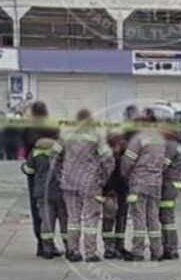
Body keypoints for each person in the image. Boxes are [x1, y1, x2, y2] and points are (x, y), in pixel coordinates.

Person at [60, 109, 114, 263]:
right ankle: (90, 252)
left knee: (73, 219)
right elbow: (108, 159)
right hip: (90, 183)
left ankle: (73, 250)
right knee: (91, 218)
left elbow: (53, 155)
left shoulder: (66, 135)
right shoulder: (95, 136)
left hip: (69, 182)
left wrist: (61, 174)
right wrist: (103, 178)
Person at [120, 116, 167, 262]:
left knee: (138, 217)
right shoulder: (161, 140)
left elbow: (127, 162)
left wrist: (124, 175)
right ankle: (157, 251)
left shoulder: (138, 139)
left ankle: (138, 252)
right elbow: (164, 162)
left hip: (139, 183)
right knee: (153, 217)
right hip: (156, 183)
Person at [23, 101, 60, 257]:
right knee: (56, 210)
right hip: (55, 172)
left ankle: (42, 244)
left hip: (35, 174)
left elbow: (24, 150)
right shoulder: (53, 127)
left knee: (38, 209)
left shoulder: (28, 130)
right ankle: (53, 244)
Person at [22, 136, 68, 259]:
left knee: (47, 220)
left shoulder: (36, 153)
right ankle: (69, 247)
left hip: (42, 192)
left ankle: (47, 248)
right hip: (60, 191)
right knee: (64, 219)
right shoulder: (60, 154)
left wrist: (23, 167)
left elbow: (29, 170)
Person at [101, 130, 131, 260]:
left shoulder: (123, 155)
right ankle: (110, 247)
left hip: (119, 191)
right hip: (112, 192)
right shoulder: (109, 155)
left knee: (119, 219)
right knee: (112, 219)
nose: (124, 143)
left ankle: (117, 246)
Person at [160, 119, 181, 260]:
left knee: (166, 218)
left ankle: (170, 248)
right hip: (173, 185)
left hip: (168, 186)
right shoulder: (177, 144)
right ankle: (170, 247)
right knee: (167, 218)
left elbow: (161, 166)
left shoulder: (170, 146)